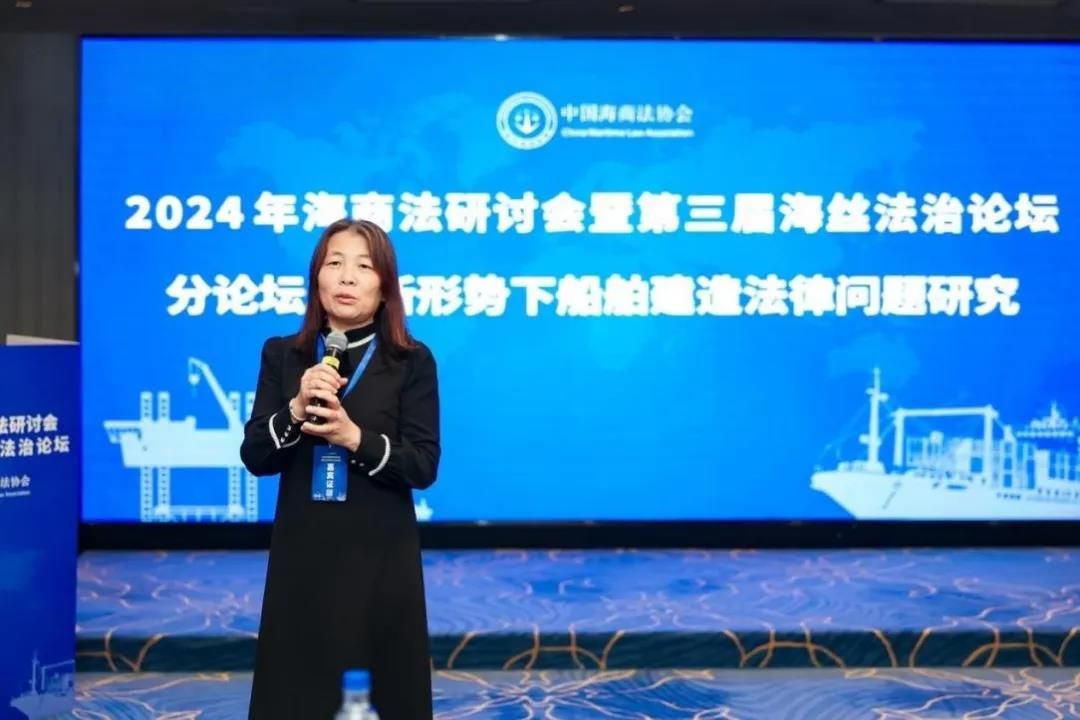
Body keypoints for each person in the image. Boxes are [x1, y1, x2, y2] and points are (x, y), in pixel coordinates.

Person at [240, 218, 440, 719]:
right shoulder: (283, 354)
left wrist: (354, 438)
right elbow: (256, 456)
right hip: (302, 550)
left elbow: (423, 465)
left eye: (364, 266)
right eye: (335, 263)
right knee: (297, 688)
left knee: (381, 686)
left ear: (385, 286)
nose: (347, 277)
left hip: (379, 554)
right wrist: (294, 409)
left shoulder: (411, 361)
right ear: (317, 278)